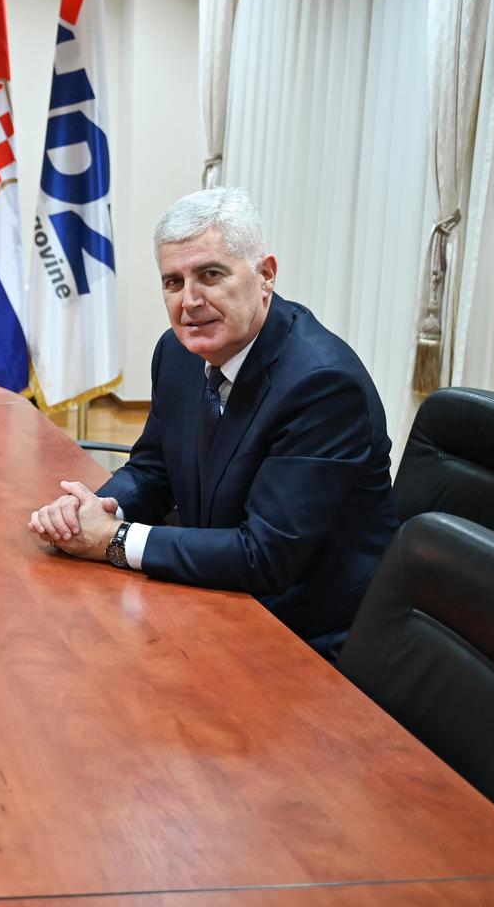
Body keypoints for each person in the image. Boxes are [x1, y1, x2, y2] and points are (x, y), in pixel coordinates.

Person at [26, 189, 397, 659]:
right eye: (173, 282)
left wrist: (114, 541)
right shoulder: (178, 351)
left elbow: (265, 556)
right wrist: (97, 511)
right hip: (212, 597)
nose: (190, 301)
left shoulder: (322, 385)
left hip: (302, 636)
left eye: (211, 275)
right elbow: (153, 468)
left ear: (266, 275)